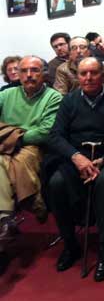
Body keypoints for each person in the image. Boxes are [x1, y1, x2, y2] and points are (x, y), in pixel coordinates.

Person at [47, 57, 104, 281]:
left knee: (103, 183)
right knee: (56, 184)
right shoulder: (69, 101)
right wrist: (76, 157)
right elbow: (55, 135)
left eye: (93, 73)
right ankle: (70, 244)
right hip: (76, 158)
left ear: (103, 76)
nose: (88, 78)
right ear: (78, 76)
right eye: (83, 74)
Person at [0, 56, 62, 247]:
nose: (29, 75)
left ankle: (8, 217)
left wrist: (13, 136)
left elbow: (45, 133)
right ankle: (7, 218)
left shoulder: (53, 97)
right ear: (17, 74)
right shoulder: (6, 95)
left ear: (44, 73)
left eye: (34, 70)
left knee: (11, 162)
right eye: (24, 71)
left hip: (34, 148)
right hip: (3, 144)